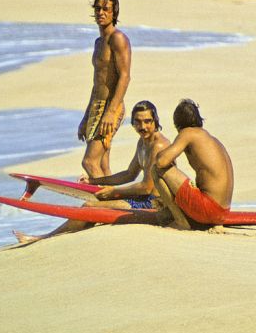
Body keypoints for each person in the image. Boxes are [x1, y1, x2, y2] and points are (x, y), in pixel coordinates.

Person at [13, 101, 169, 244]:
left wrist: (113, 191)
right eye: (138, 122)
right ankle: (51, 235)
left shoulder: (158, 146)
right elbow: (129, 174)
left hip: (155, 205)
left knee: (89, 206)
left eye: (148, 121)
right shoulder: (143, 142)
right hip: (144, 198)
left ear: (155, 121)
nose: (143, 126)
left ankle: (41, 238)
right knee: (96, 199)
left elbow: (146, 187)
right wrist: (93, 182)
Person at [153, 99, 234, 226]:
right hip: (224, 212)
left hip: (209, 210)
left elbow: (161, 162)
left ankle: (180, 220)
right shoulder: (212, 139)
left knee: (156, 169)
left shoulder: (188, 133)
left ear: (177, 124)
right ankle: (179, 213)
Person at [78, 0, 131, 179]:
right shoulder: (99, 42)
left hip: (111, 107)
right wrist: (86, 117)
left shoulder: (118, 39)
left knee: (89, 162)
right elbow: (97, 82)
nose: (101, 12)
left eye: (105, 9)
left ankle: (105, 203)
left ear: (114, 11)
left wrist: (111, 111)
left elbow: (125, 76)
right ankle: (111, 202)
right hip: (96, 106)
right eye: (97, 8)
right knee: (102, 164)